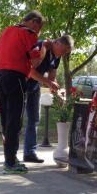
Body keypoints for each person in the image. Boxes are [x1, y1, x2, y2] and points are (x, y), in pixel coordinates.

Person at [0, 11, 46, 174]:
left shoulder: (7, 30)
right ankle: (10, 163)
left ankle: (9, 158)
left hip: (1, 76)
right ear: (35, 22)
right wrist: (43, 49)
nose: (38, 33)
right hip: (16, 77)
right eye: (39, 28)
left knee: (6, 120)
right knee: (15, 122)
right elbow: (35, 61)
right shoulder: (29, 34)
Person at [23, 35, 74, 163]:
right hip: (20, 84)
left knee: (34, 119)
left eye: (66, 53)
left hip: (34, 86)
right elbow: (30, 71)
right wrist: (47, 82)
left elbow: (52, 78)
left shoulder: (57, 57)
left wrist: (57, 94)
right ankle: (10, 156)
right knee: (15, 120)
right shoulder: (41, 47)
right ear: (56, 43)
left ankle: (29, 153)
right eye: (63, 51)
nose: (63, 54)